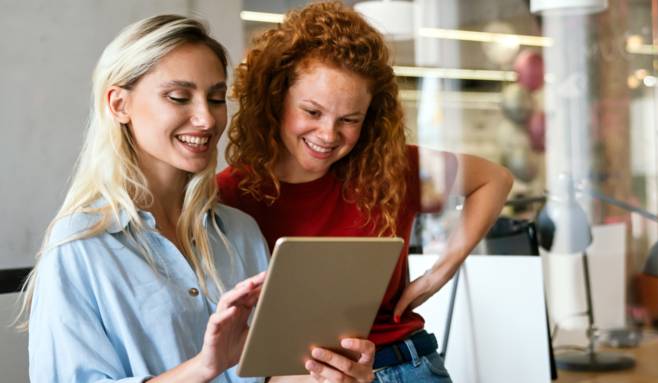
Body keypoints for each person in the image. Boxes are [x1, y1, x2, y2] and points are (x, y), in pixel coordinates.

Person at [19, 15, 375, 383]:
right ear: (118, 104)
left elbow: (262, 375)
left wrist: (327, 374)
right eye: (179, 97)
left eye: (217, 98)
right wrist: (205, 366)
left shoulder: (240, 232)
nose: (207, 118)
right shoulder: (79, 246)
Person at [217, 2, 514, 382]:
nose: (328, 134)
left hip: (409, 366)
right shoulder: (231, 194)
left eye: (349, 119)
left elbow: (494, 179)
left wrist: (439, 271)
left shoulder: (393, 168)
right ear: (276, 99)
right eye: (311, 112)